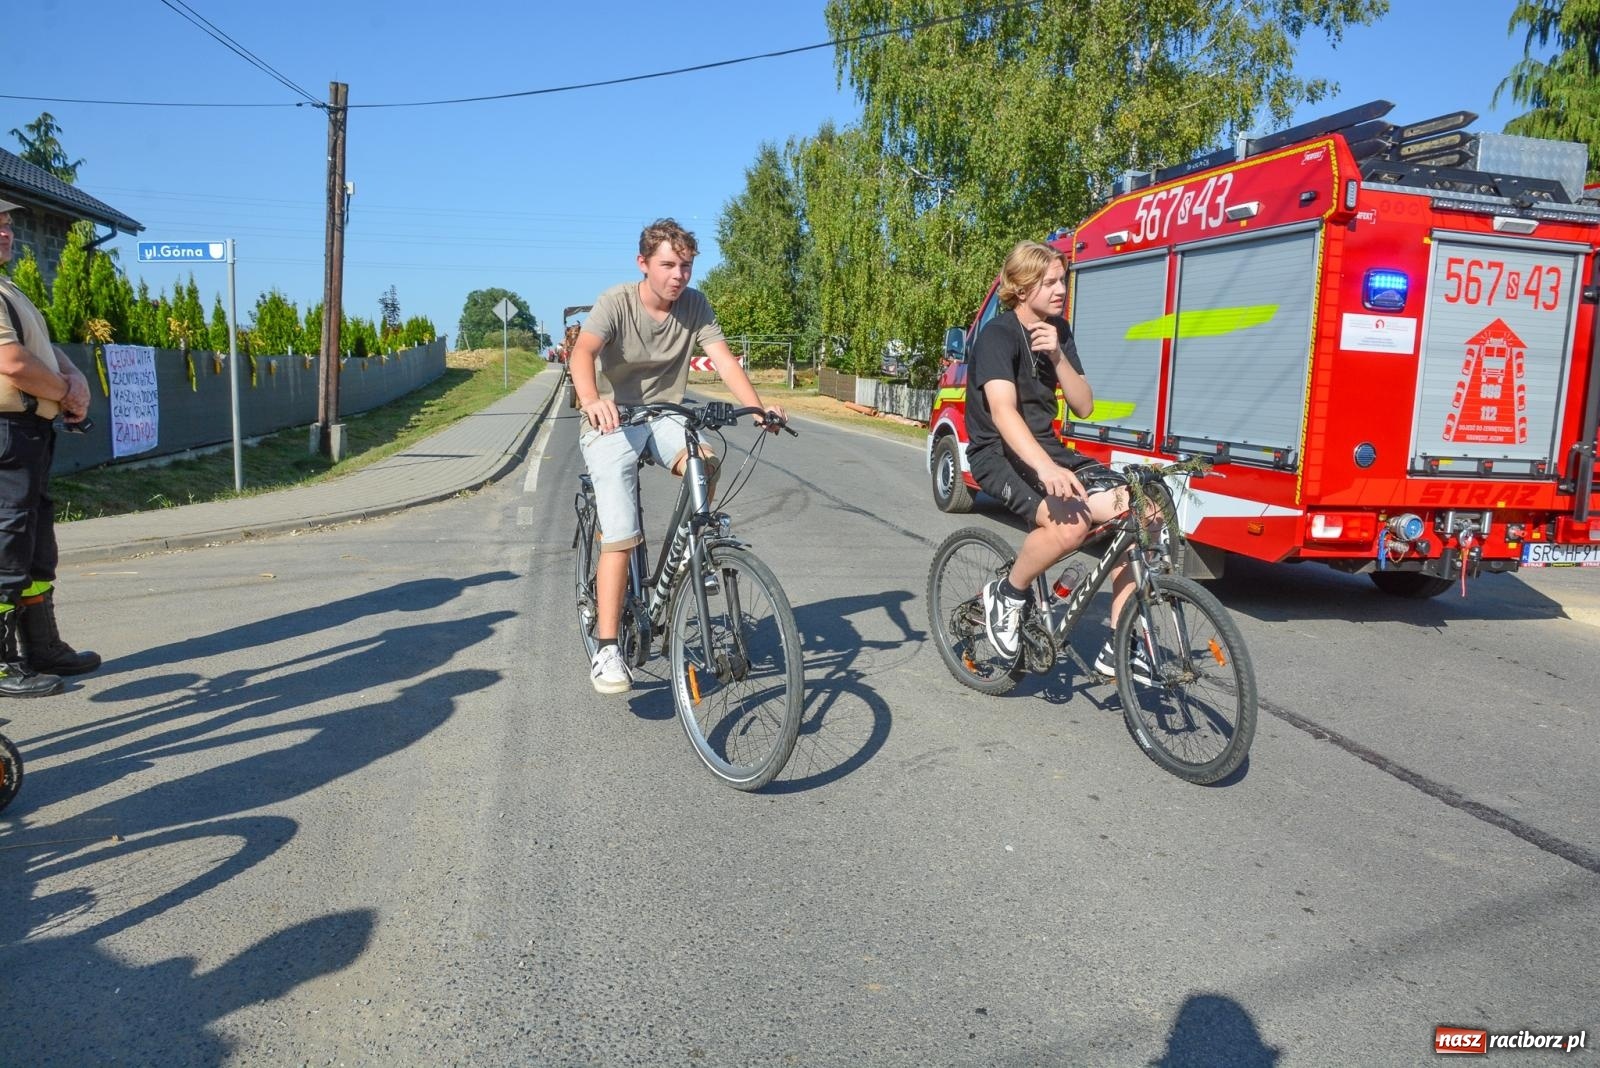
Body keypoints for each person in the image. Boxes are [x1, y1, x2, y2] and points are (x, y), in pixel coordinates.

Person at [570, 218, 784, 695]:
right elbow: (583, 352)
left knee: (704, 461)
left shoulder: (695, 304)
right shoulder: (616, 302)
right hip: (612, 418)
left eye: (685, 265)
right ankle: (607, 646)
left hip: (665, 414)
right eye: (668, 264)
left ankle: (695, 551)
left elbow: (725, 359)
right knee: (622, 530)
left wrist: (756, 407)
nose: (678, 275)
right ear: (643, 263)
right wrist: (592, 400)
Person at [964, 239, 1152, 681]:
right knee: (1070, 527)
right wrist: (1047, 471)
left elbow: (1085, 405)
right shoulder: (998, 335)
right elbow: (1003, 411)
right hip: (999, 452)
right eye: (1049, 281)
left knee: (1141, 511)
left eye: (1062, 280)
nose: (1060, 289)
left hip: (1047, 448)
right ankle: (1006, 595)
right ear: (1021, 287)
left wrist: (1057, 356)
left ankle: (1120, 642)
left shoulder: (1059, 332)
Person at [0, 197, 101, 696]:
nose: (5, 234)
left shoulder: (8, 289)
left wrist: (73, 376)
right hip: (5, 431)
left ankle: (43, 648)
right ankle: (2, 664)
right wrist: (65, 392)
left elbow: (39, 347)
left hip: (28, 433)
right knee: (6, 545)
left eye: (6, 226)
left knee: (35, 543)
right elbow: (14, 363)